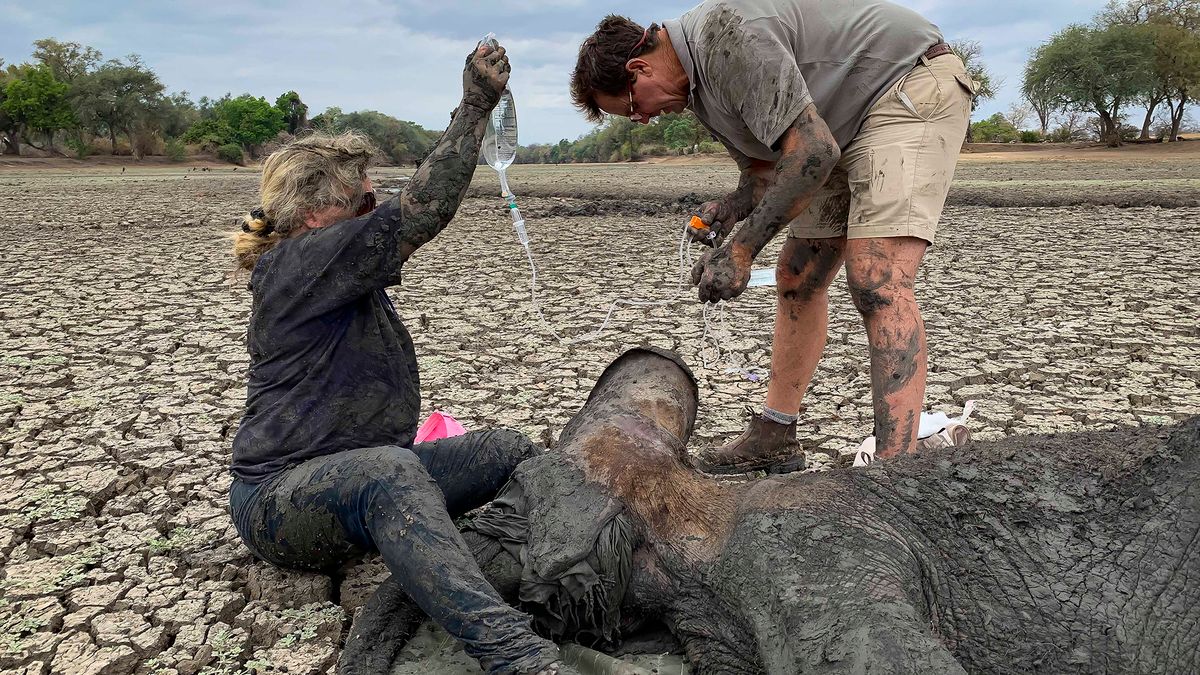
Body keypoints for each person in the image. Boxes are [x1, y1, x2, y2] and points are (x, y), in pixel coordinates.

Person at [226, 43, 560, 675]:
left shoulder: (327, 262)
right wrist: (474, 108)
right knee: (390, 473)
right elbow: (425, 208)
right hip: (281, 502)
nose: (373, 212)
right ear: (317, 215)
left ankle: (548, 557)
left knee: (505, 452)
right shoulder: (299, 263)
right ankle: (514, 653)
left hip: (362, 479)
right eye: (362, 202)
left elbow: (415, 203)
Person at [570, 1, 976, 472]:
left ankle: (896, 468)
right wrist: (731, 209)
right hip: (836, 126)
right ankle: (775, 435)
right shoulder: (700, 91)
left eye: (633, 107)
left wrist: (741, 250)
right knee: (797, 276)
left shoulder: (728, 37)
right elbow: (764, 176)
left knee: (876, 278)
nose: (641, 120)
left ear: (639, 69)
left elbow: (813, 152)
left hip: (907, 88)